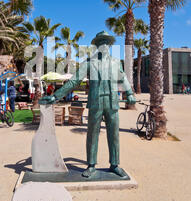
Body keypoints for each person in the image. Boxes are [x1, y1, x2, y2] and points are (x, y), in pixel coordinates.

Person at [40, 30, 136, 179]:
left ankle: (115, 164)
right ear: (97, 45)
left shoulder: (116, 62)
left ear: (109, 45)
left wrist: (129, 93)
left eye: (106, 42)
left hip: (112, 102)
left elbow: (122, 78)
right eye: (101, 42)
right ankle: (91, 165)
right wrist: (56, 96)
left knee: (114, 135)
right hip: (96, 102)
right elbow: (74, 81)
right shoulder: (89, 63)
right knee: (92, 134)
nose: (104, 45)